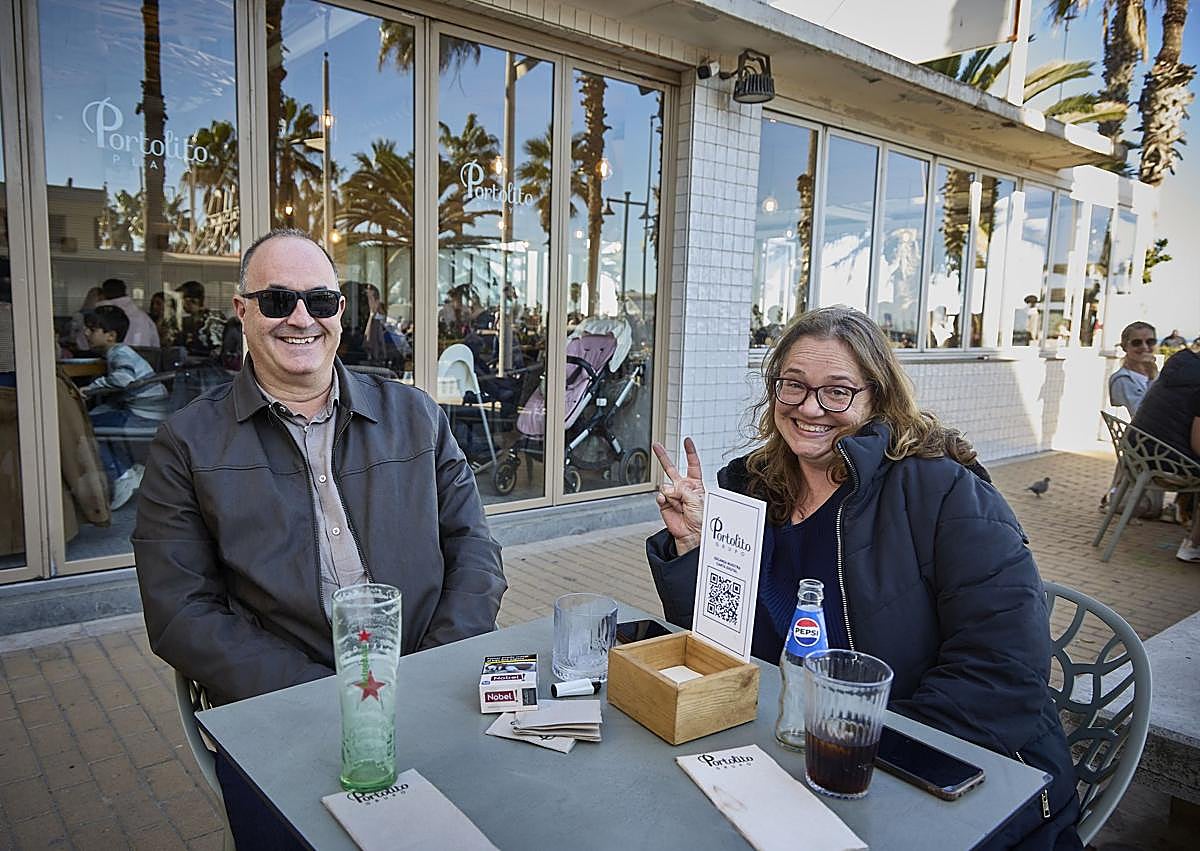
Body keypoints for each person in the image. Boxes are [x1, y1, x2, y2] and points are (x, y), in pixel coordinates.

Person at [647, 307, 1080, 850]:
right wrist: (696, 548)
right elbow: (722, 648)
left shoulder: (941, 491)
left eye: (837, 391)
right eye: (793, 385)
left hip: (950, 782)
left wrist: (858, 749)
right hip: (788, 758)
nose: (809, 407)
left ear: (878, 397)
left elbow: (1003, 671)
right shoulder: (753, 487)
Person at [134, 229, 506, 847]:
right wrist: (328, 697)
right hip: (284, 711)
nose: (302, 318)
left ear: (340, 312)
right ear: (243, 310)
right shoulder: (187, 444)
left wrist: (431, 669)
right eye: (278, 301)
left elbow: (476, 553)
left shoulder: (416, 416)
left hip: (427, 688)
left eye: (321, 300)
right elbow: (180, 613)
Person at [81, 306, 169, 510]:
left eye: (92, 329)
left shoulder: (119, 353)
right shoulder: (120, 352)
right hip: (150, 411)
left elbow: (123, 379)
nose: (85, 333)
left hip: (143, 415)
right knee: (99, 417)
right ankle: (131, 467)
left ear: (110, 336)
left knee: (88, 426)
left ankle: (121, 475)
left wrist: (92, 388)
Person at [1130, 341, 1200, 562]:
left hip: (1139, 453)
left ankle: (1184, 514)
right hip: (1168, 461)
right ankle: (1193, 545)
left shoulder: (1179, 366)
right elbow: (1198, 444)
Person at [1109, 321, 1158, 418]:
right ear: (1125, 347)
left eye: (1150, 342)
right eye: (1137, 343)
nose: (1144, 347)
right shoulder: (1122, 380)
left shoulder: (1156, 375)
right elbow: (1141, 414)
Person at [95, 278, 160, 347]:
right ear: (125, 292)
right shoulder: (144, 317)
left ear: (103, 294)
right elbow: (155, 345)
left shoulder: (101, 315)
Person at [172, 279, 227, 356]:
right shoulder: (186, 321)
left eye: (180, 300)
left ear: (191, 300)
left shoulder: (214, 318)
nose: (179, 304)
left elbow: (218, 349)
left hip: (211, 361)